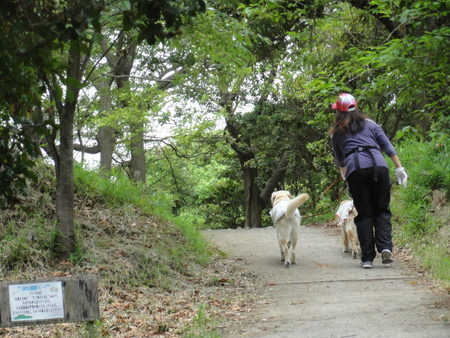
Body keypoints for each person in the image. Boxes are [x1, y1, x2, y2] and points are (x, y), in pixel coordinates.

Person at [329, 93, 407, 269]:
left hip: (356, 170)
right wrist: (399, 168)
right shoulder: (371, 125)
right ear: (356, 107)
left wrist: (344, 174)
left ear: (338, 113)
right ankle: (386, 248)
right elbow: (387, 146)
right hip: (379, 167)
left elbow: (340, 159)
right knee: (382, 210)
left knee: (364, 213)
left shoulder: (337, 132)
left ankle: (367, 259)